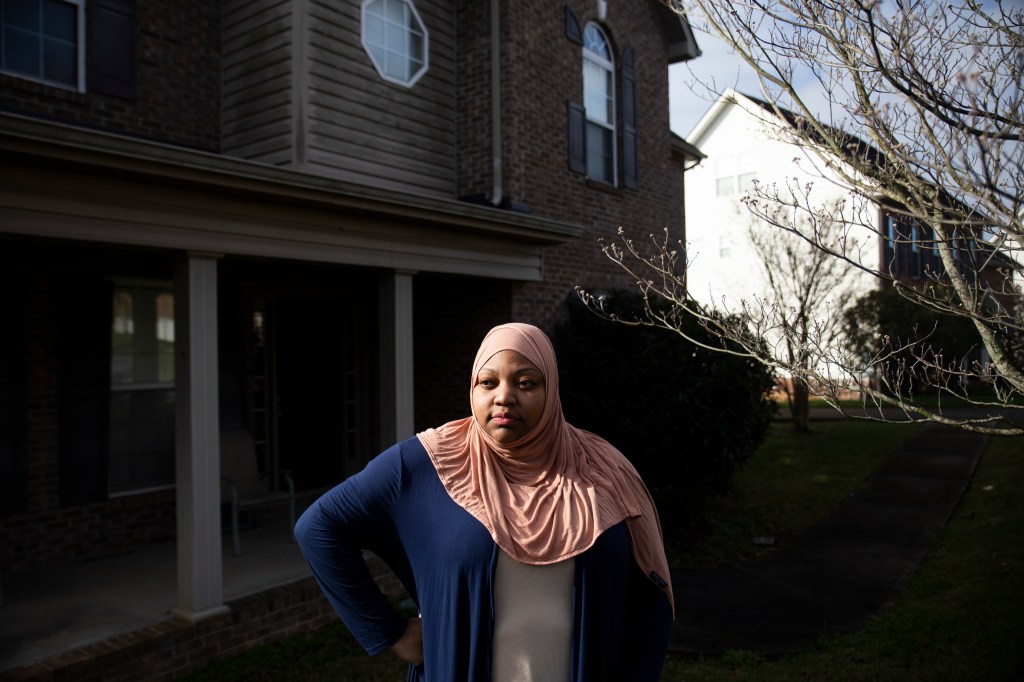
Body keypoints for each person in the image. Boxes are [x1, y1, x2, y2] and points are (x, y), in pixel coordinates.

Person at [294, 322, 674, 681]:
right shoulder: (427, 464)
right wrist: (392, 633)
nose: (504, 397)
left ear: (552, 389)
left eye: (526, 383)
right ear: (472, 388)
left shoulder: (603, 470)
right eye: (488, 382)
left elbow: (649, 596)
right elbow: (319, 527)